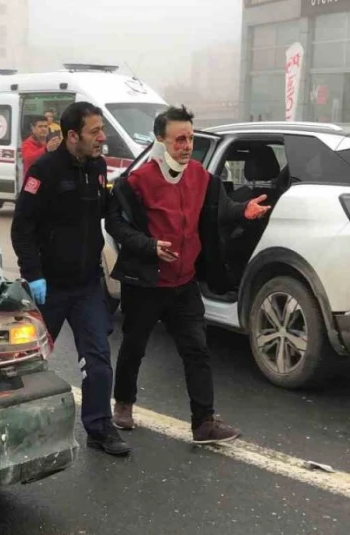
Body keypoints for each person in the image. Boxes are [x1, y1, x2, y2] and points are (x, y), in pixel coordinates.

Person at [105, 105, 270, 444]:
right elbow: (116, 224)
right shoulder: (137, 181)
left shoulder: (201, 177)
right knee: (134, 346)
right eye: (179, 139)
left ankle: (204, 422)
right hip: (147, 283)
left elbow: (220, 211)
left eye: (190, 138)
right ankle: (123, 403)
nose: (186, 145)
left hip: (184, 283)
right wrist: (149, 246)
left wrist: (244, 211)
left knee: (197, 351)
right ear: (160, 141)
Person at [11, 101, 130, 457]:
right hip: (49, 287)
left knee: (97, 360)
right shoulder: (44, 171)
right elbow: (22, 228)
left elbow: (106, 212)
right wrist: (33, 274)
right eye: (95, 131)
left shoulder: (96, 167)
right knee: (27, 361)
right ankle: (16, 428)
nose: (102, 138)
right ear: (72, 135)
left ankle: (99, 428)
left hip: (86, 285)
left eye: (102, 130)